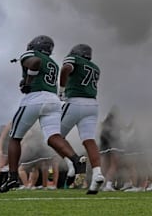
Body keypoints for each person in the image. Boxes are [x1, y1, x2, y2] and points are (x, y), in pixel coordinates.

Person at [0, 36, 87, 193]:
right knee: (53, 137)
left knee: (15, 137)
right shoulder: (52, 62)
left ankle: (12, 177)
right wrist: (26, 79)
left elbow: (35, 63)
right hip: (53, 100)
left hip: (35, 98)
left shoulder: (32, 54)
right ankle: (75, 159)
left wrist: (28, 82)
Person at [59, 43, 104, 194]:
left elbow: (66, 68)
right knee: (89, 140)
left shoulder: (74, 59)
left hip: (75, 101)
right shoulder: (95, 67)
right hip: (92, 104)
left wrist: (62, 90)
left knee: (54, 136)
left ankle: (72, 165)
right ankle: (97, 173)